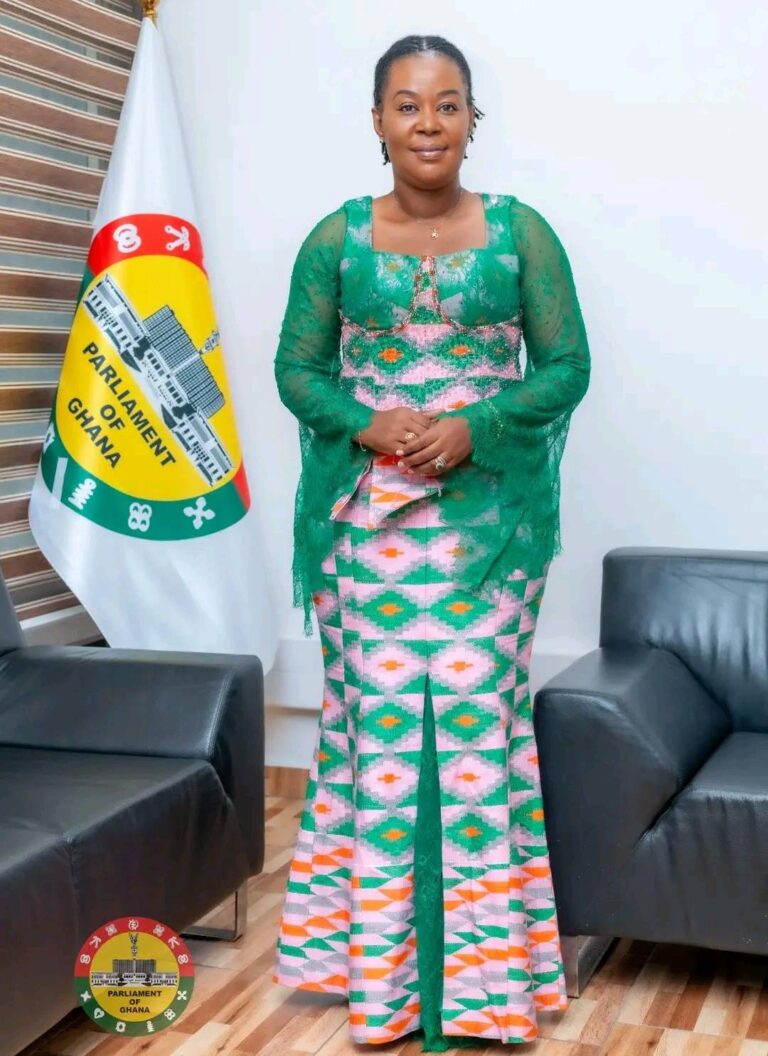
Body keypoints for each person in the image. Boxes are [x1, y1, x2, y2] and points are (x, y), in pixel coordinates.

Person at [272, 33, 590, 1052]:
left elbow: (567, 366)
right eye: (407, 105)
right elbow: (295, 370)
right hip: (365, 530)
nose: (427, 124)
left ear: (471, 120)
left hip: (488, 531)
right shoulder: (334, 239)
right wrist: (367, 423)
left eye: (448, 105)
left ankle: (486, 988)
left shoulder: (521, 234)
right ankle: (382, 983)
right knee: (377, 736)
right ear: (377, 120)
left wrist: (475, 427)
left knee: (472, 730)